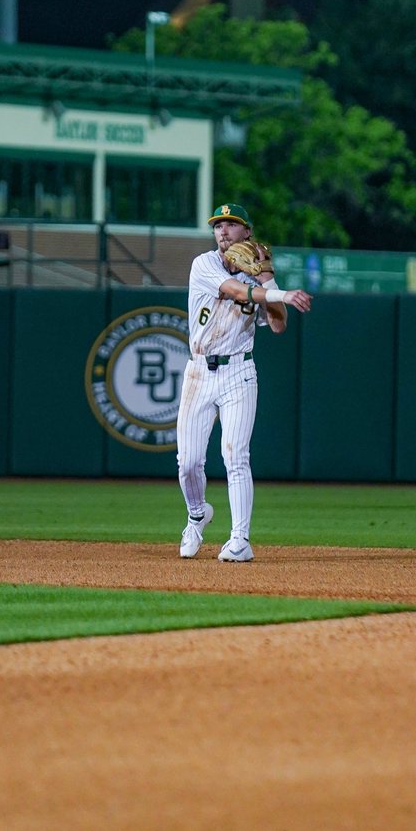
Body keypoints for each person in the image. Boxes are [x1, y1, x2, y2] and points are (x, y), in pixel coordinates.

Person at [176, 202, 313, 561]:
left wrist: (268, 280)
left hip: (239, 372)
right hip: (199, 371)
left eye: (231, 224)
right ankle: (197, 515)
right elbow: (236, 292)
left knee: (236, 455)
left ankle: (240, 540)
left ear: (247, 232)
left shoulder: (257, 277)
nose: (222, 231)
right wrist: (282, 294)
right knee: (188, 462)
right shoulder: (204, 264)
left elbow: (279, 326)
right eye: (217, 225)